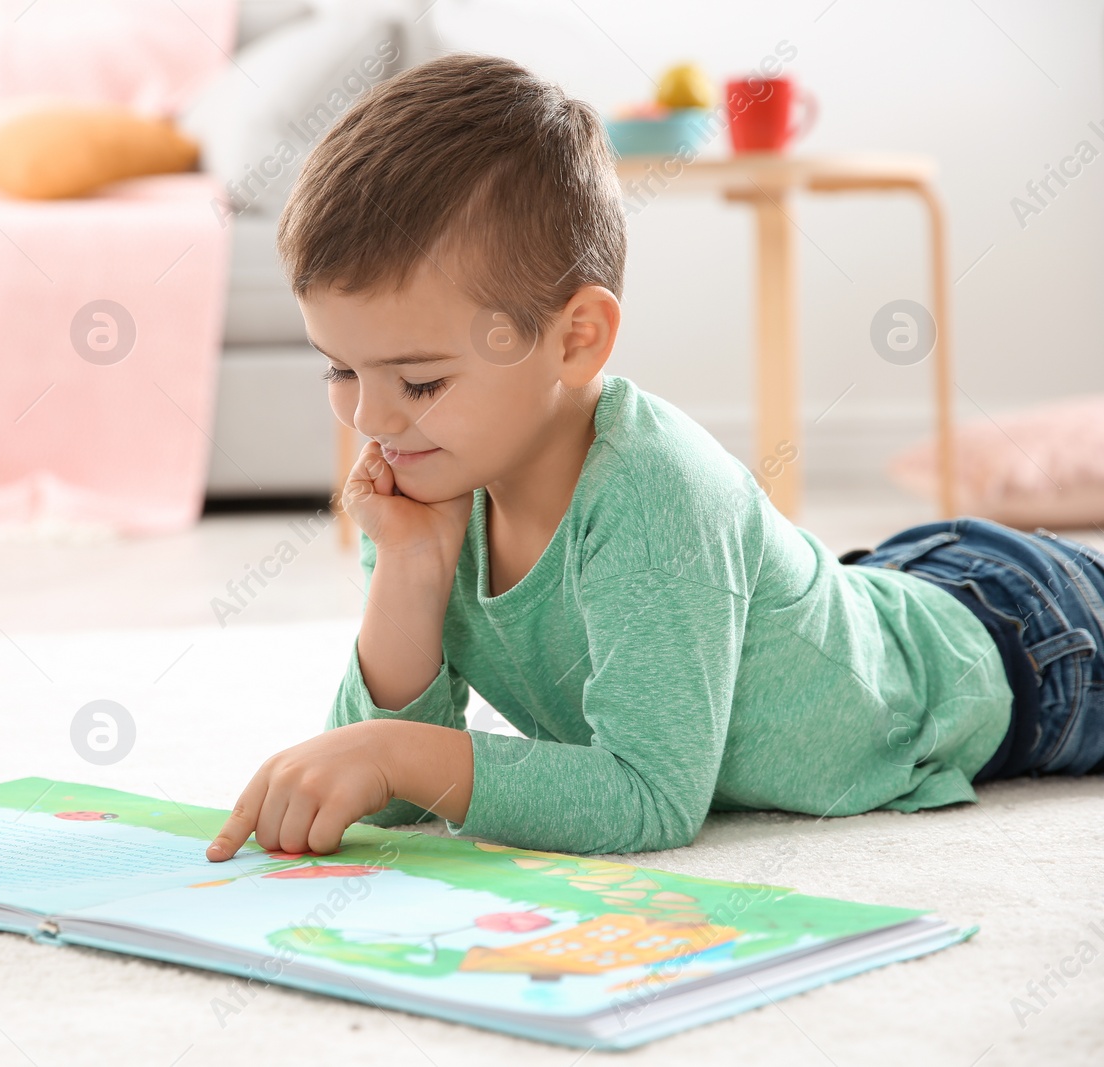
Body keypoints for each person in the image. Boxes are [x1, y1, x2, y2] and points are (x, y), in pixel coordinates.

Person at [204, 54, 1104, 861]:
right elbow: (392, 799)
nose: (371, 416)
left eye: (422, 381)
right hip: (889, 593)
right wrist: (408, 564)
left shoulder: (652, 489)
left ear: (577, 340)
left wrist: (397, 752)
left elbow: (647, 798)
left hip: (1027, 646)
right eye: (339, 368)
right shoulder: (426, 478)